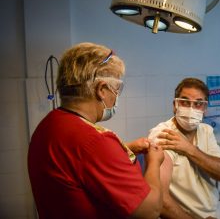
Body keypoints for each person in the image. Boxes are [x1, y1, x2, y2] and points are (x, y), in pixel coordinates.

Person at [27, 42, 164, 219]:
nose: (116, 96)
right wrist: (154, 162)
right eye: (116, 89)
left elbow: (78, 163)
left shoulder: (49, 124)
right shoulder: (93, 141)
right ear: (101, 89)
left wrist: (125, 149)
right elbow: (149, 211)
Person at [148, 77, 220, 219]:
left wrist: (190, 149)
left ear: (205, 108)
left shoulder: (206, 131)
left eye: (198, 104)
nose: (191, 109)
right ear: (175, 105)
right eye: (184, 102)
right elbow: (161, 200)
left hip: (214, 207)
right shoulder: (163, 135)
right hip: (183, 214)